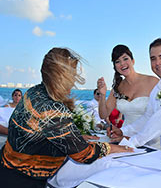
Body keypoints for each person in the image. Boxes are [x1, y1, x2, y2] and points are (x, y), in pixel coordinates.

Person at [0, 48, 132, 187]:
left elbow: (43, 131)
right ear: (61, 78)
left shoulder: (34, 91)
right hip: (22, 179)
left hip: (7, 165)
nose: (74, 80)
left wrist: (74, 136)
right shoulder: (52, 109)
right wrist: (112, 148)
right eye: (72, 76)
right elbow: (83, 154)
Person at [98, 44, 159, 129]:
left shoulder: (153, 81)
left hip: (151, 136)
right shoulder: (117, 89)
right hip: (126, 137)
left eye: (125, 59)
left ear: (133, 61)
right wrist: (102, 95)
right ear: (115, 67)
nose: (122, 64)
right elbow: (103, 115)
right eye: (117, 61)